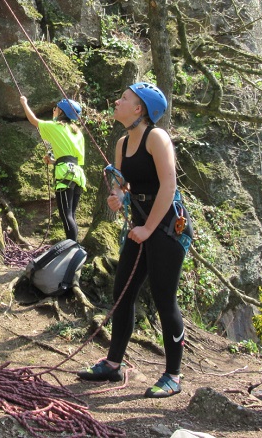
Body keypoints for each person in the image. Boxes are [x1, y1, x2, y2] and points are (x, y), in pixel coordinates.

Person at [77, 82, 186, 398]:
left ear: (139, 109)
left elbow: (168, 187)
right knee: (122, 292)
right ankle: (114, 364)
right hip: (142, 226)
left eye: (124, 99)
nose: (117, 101)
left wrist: (149, 229)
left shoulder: (157, 138)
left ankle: (173, 375)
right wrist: (117, 197)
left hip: (168, 227)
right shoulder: (123, 143)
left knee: (164, 299)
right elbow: (122, 185)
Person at [19, 95, 86, 242]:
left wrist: (24, 103)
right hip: (78, 175)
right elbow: (76, 160)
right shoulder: (78, 133)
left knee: (66, 216)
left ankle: (72, 246)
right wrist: (55, 161)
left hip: (65, 175)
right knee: (71, 215)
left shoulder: (56, 126)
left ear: (61, 112)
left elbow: (34, 121)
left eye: (55, 108)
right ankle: (74, 245)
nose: (53, 110)